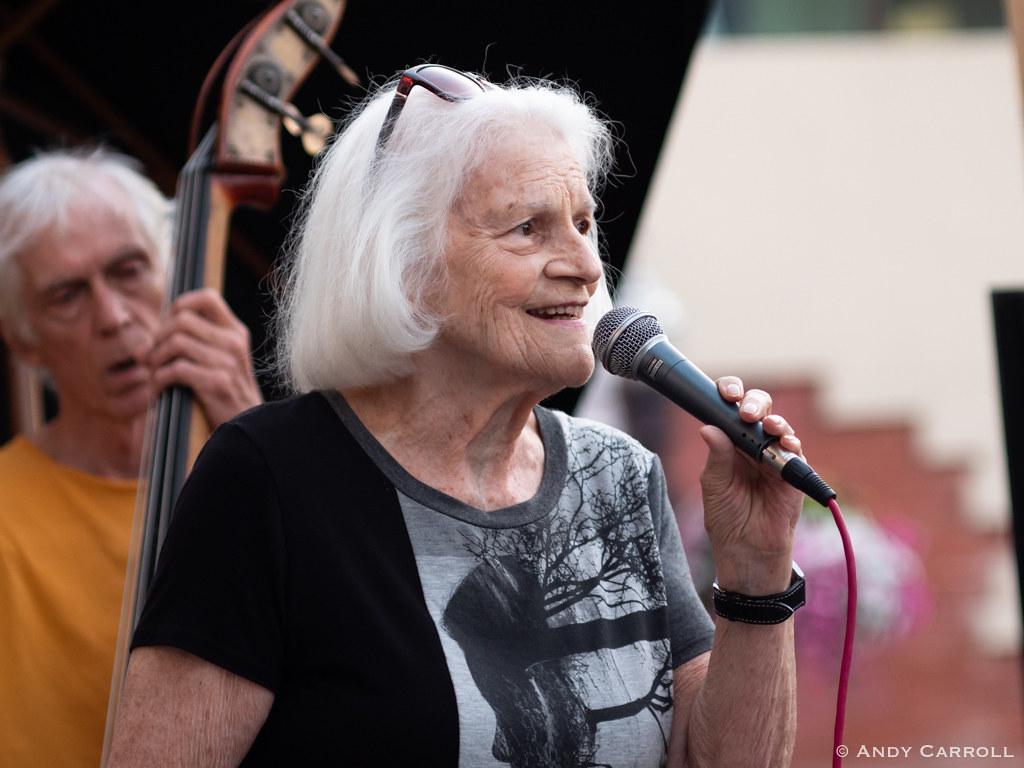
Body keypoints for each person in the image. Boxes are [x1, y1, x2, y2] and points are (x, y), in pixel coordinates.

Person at [109, 65, 804, 767]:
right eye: (528, 228)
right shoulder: (271, 478)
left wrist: (756, 569)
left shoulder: (618, 476)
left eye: (585, 223)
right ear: (404, 267)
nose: (585, 266)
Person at [0, 148, 263, 767]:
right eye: (67, 295)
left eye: (128, 270)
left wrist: (257, 438)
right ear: (23, 340)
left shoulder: (269, 468)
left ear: (175, 269)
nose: (114, 318)